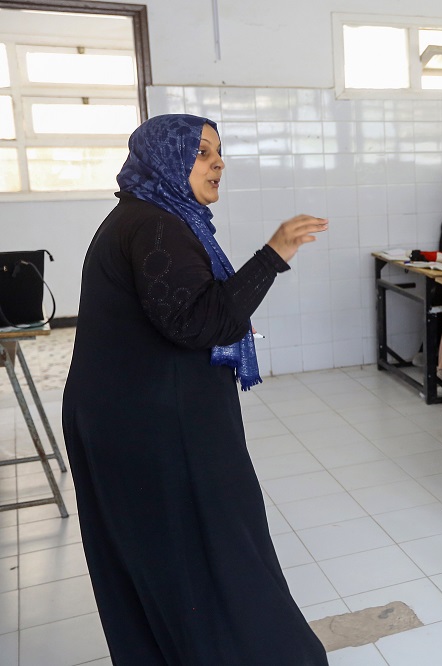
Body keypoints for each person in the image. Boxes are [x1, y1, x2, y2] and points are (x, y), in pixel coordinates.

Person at [61, 114, 328, 664]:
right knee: (211, 551)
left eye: (218, 151)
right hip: (156, 429)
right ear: (165, 159)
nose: (218, 162)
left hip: (138, 419)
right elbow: (201, 324)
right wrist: (273, 254)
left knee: (166, 556)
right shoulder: (155, 226)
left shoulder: (147, 218)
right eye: (202, 152)